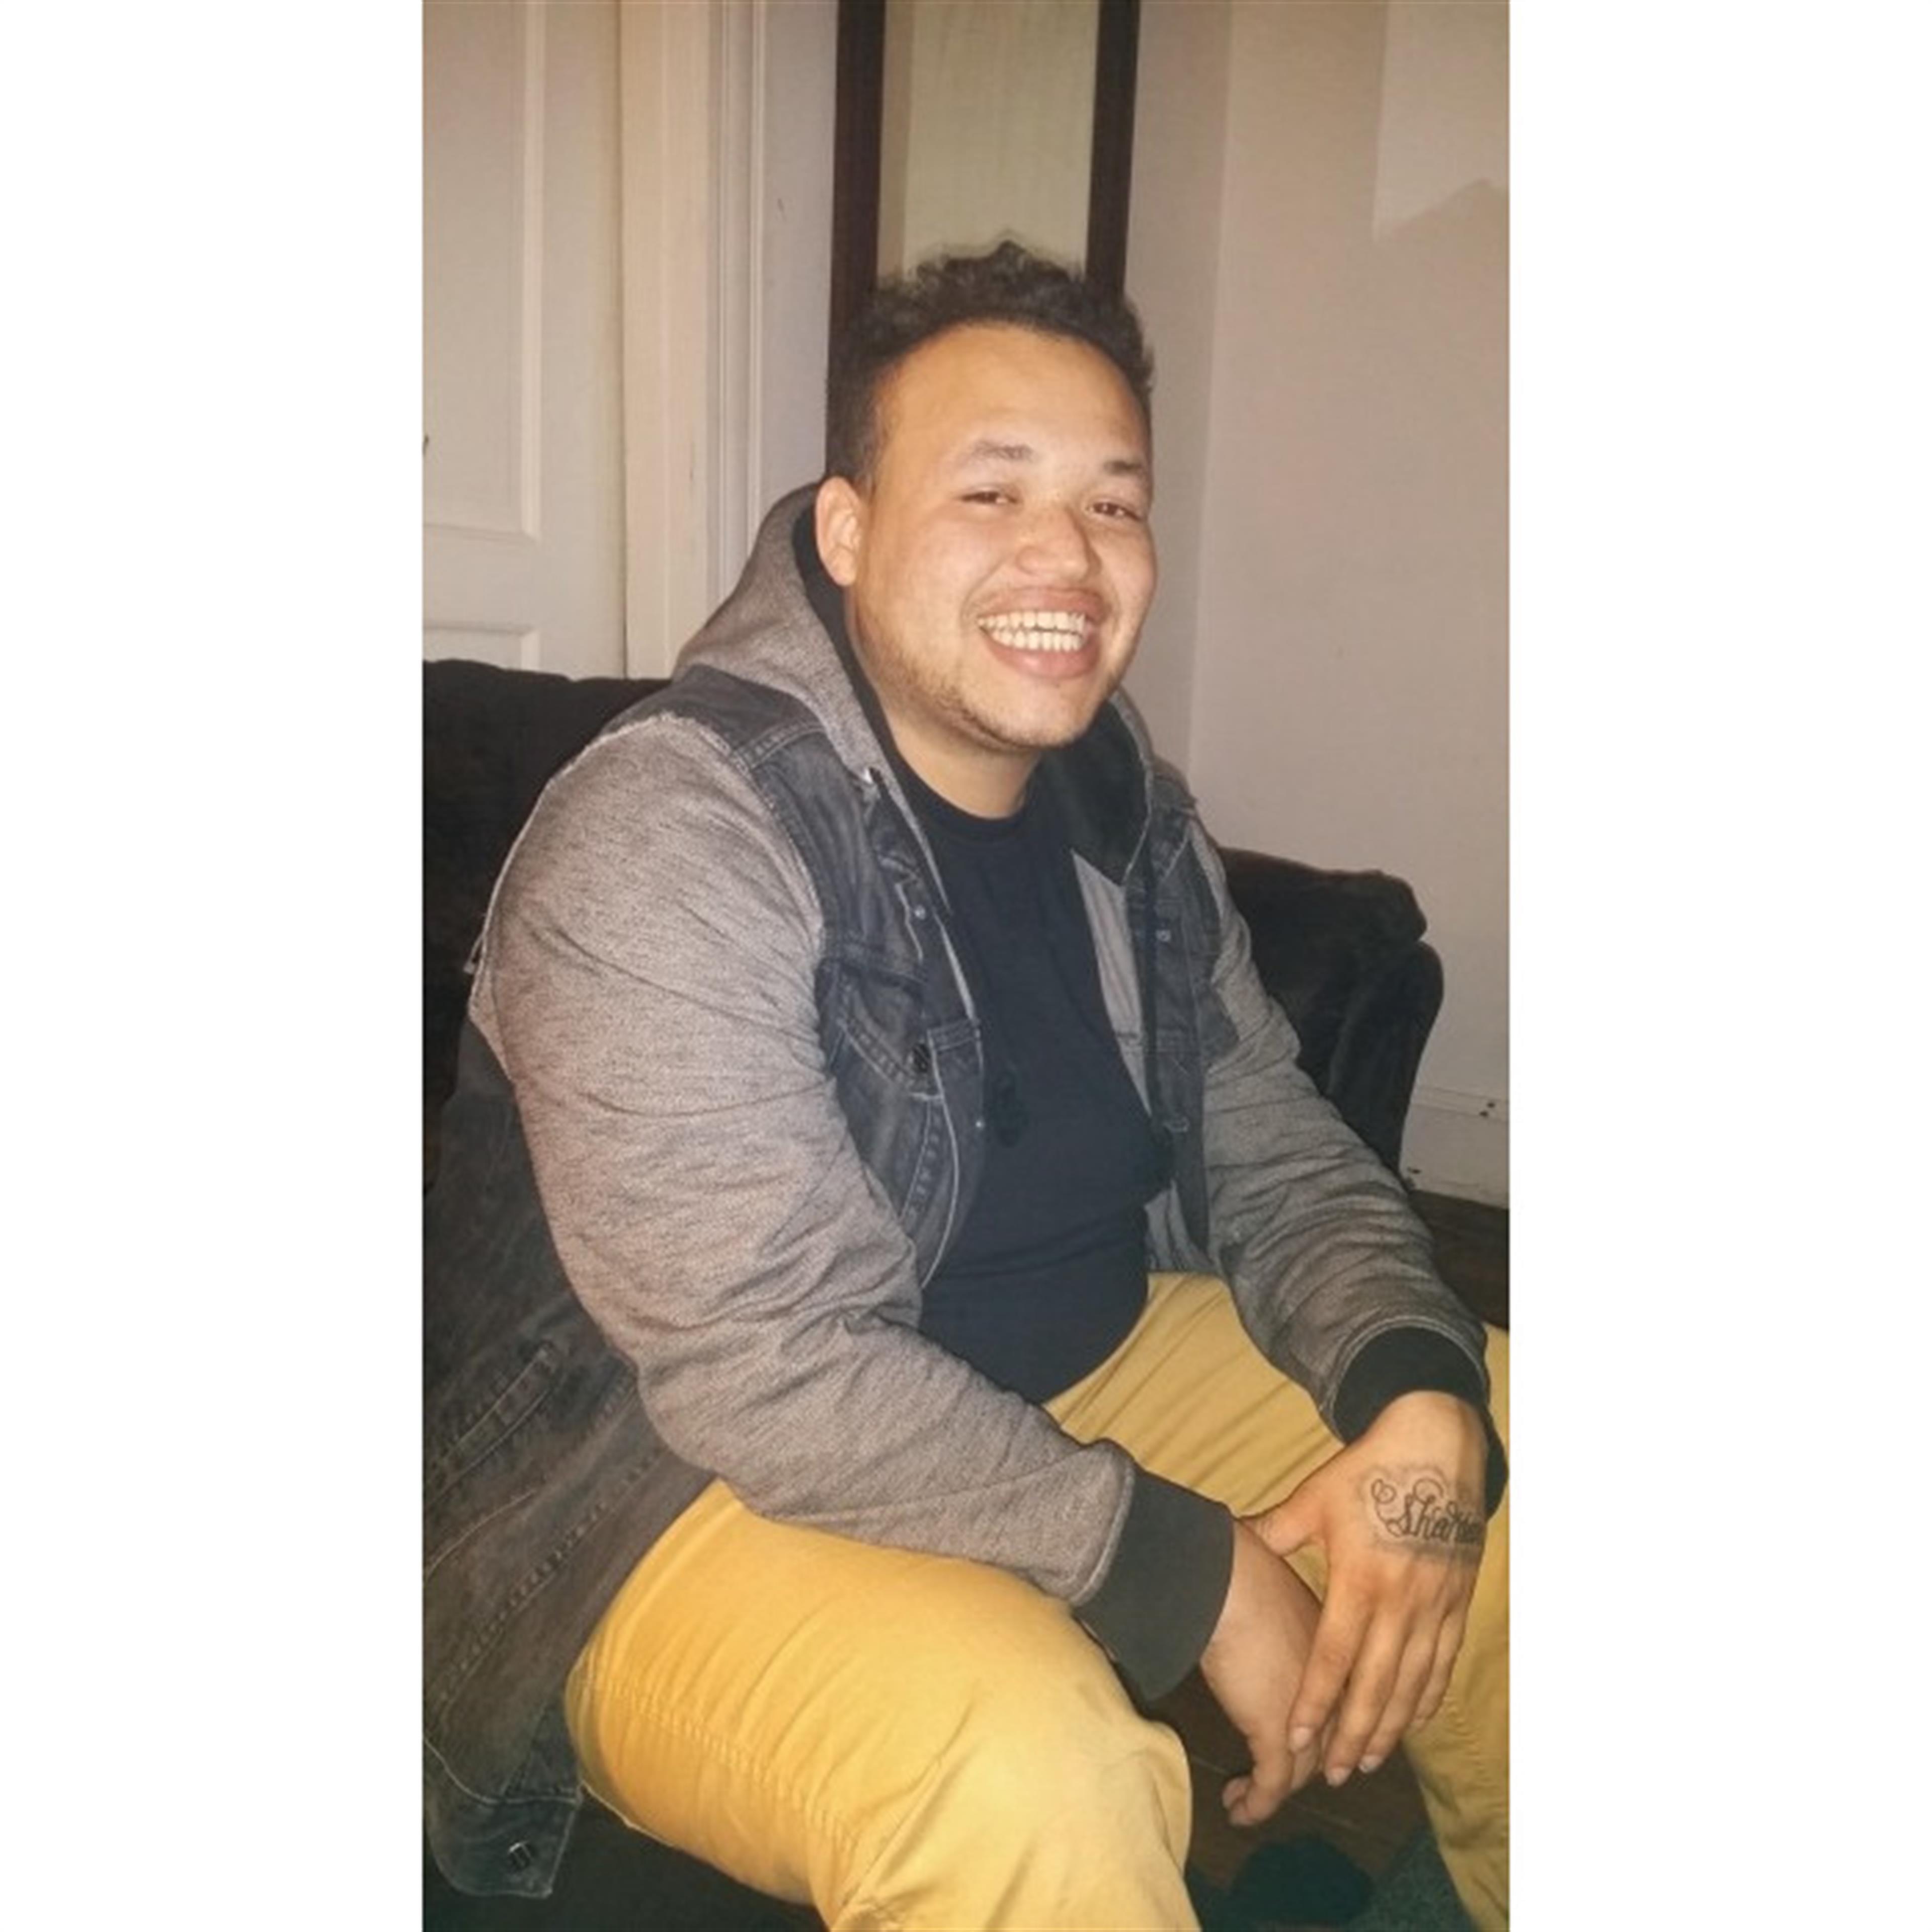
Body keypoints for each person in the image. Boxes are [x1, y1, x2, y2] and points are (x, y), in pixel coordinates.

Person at [424, 242, 1509, 1930]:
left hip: (1076, 1369)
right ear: (848, 531)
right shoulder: (669, 837)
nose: (1065, 554)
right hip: (660, 1490)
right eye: (991, 491)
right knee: (1025, 1777)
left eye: (1113, 503)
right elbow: (764, 1363)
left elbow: (1266, 1136)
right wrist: (1200, 1572)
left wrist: (1422, 1391)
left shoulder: (1119, 803)